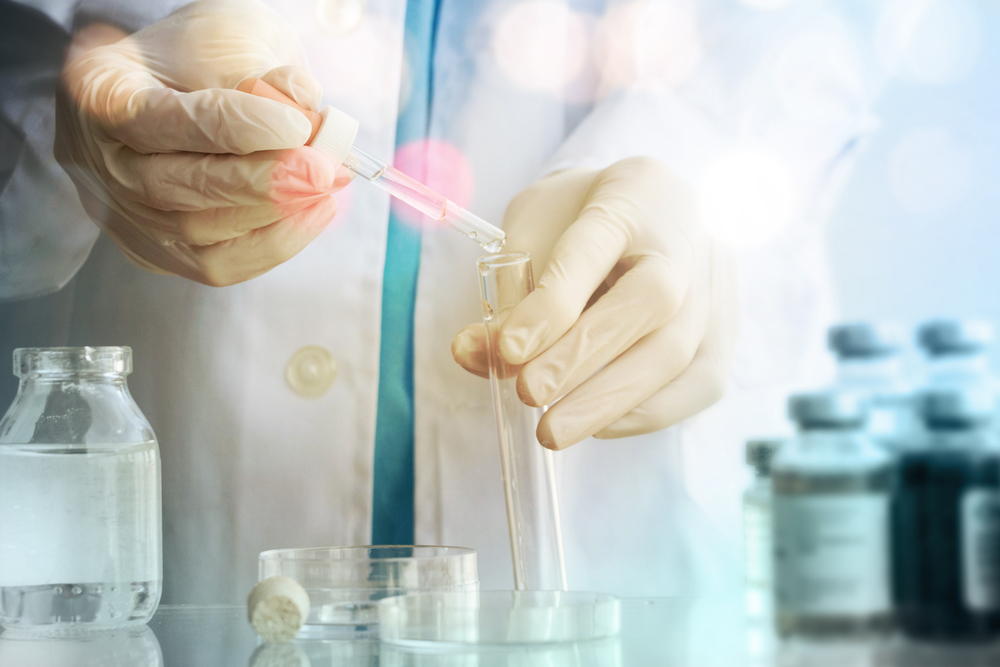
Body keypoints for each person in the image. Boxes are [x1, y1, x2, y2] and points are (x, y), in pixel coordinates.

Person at [0, 0, 882, 603]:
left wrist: (683, 159)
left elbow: (796, 38)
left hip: (630, 528)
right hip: (195, 468)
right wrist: (64, 108)